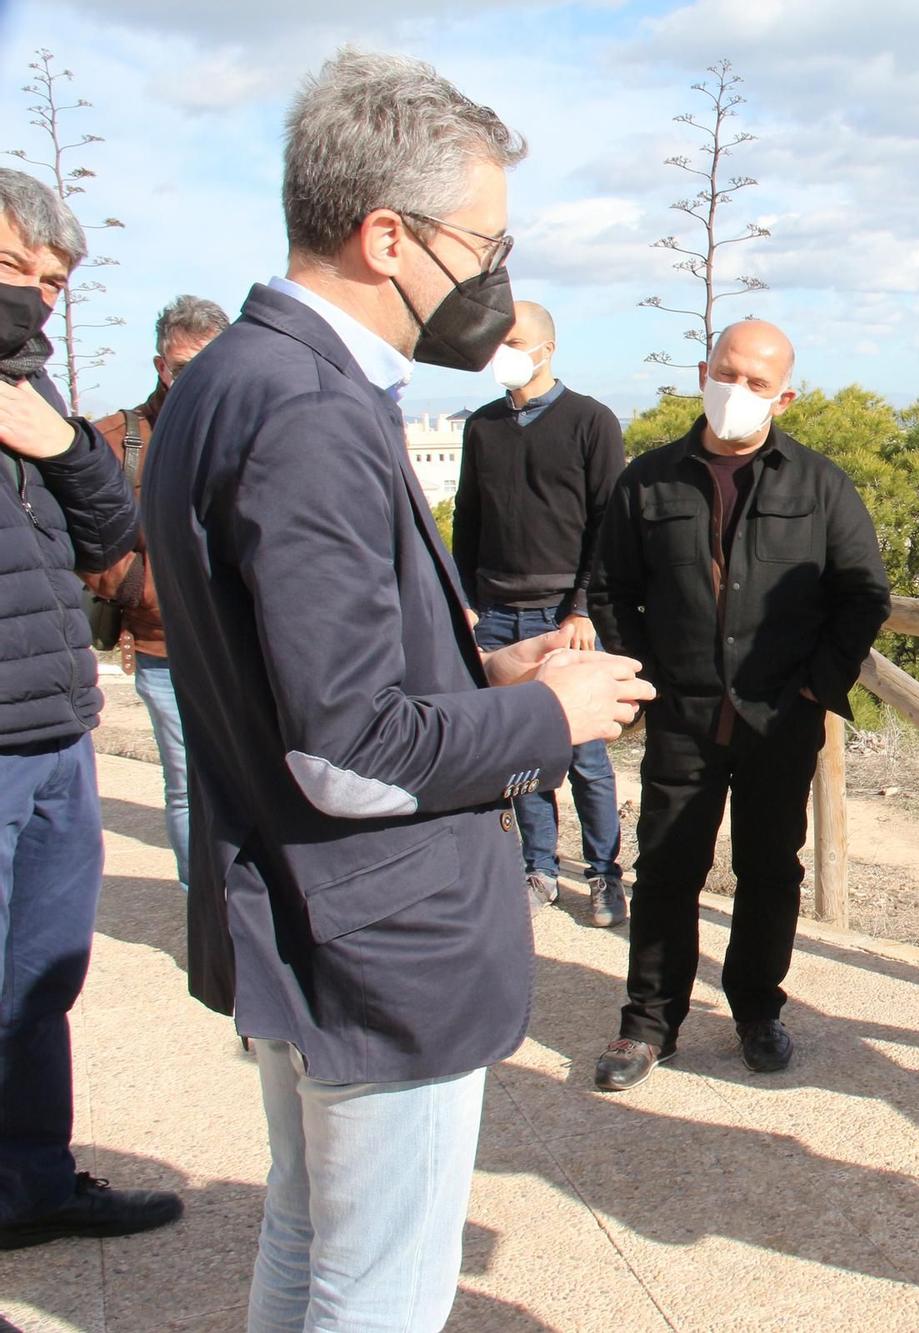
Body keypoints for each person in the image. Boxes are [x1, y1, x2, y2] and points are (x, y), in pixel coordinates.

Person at [143, 50, 653, 1329]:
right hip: (373, 936)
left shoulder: (225, 381)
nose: (495, 276)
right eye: (483, 243)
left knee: (308, 1247)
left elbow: (302, 677)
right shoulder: (308, 407)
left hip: (296, 908)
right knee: (377, 1295)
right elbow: (347, 748)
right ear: (387, 236)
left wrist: (478, 670)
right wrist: (553, 715)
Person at [589, 319, 890, 1089]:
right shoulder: (646, 480)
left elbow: (862, 596)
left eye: (757, 383)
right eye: (727, 373)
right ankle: (648, 1022)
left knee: (769, 871)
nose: (738, 392)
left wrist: (817, 686)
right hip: (683, 715)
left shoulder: (820, 484)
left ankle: (758, 1011)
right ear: (702, 372)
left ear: (784, 394)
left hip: (779, 718)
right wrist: (645, 679)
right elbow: (612, 590)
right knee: (665, 868)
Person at [0, 170, 178, 1253]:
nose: (34, 295)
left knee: (40, 980)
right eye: (12, 269)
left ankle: (32, 1180)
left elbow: (116, 536)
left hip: (54, 727)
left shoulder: (43, 395)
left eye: (51, 280)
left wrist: (58, 444)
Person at [455, 300, 628, 925]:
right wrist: (467, 604)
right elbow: (467, 519)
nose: (503, 350)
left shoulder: (591, 421)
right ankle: (539, 867)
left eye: (516, 339)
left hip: (566, 617)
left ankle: (606, 876)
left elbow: (610, 524)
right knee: (520, 753)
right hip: (497, 614)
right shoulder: (482, 426)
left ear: (547, 349)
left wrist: (582, 609)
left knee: (585, 756)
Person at [80, 295, 232, 895]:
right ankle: (209, 918)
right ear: (158, 364)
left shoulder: (244, 424)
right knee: (187, 785)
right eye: (179, 365)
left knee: (254, 779)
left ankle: (250, 915)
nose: (191, 378)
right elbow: (93, 548)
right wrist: (155, 595)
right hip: (164, 647)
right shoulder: (118, 439)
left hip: (241, 644)